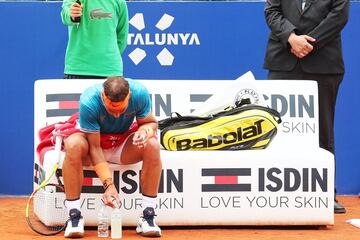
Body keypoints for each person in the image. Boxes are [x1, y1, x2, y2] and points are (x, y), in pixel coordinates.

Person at [263, 0, 349, 214]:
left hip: (324, 65)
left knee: (322, 130)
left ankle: (326, 195)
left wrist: (309, 43)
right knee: (276, 131)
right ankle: (275, 195)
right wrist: (291, 38)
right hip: (282, 61)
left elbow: (339, 15)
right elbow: (272, 11)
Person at [62, 77, 162, 238]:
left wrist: (145, 132)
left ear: (129, 95)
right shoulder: (89, 101)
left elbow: (151, 123)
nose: (116, 115)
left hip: (122, 143)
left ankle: (148, 216)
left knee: (152, 145)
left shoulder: (139, 93)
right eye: (111, 109)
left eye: (121, 110)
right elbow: (94, 148)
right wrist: (108, 185)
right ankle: (74, 216)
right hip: (93, 145)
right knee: (73, 145)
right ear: (103, 95)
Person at [61, 0, 128, 79]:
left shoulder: (119, 2)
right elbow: (66, 15)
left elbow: (122, 37)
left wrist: (108, 58)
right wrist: (72, 14)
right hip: (78, 69)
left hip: (111, 71)